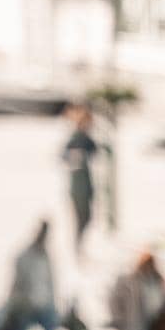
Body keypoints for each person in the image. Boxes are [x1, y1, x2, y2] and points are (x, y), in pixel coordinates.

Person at [2, 221, 60, 330]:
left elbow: (51, 286)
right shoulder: (24, 257)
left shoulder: (46, 258)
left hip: (45, 308)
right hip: (26, 308)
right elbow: (16, 287)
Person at [110, 249, 165, 330]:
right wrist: (119, 319)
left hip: (154, 329)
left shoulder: (158, 281)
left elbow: (162, 303)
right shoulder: (130, 280)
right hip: (136, 328)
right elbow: (115, 301)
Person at [64, 103, 101, 255]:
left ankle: (80, 246)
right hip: (78, 187)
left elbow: (98, 152)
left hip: (87, 185)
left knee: (87, 218)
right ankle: (78, 248)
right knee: (80, 219)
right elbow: (65, 156)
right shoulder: (75, 139)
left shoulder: (87, 139)